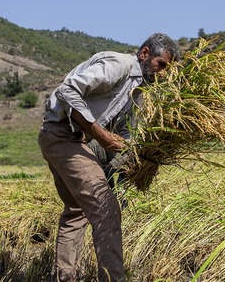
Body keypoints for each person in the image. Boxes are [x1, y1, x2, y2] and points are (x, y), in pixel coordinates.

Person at [38, 33, 181, 282]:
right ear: (145, 54)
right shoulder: (120, 65)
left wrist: (140, 159)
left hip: (73, 139)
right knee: (106, 210)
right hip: (63, 135)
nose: (163, 73)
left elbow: (123, 134)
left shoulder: (138, 92)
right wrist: (99, 133)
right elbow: (67, 89)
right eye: (162, 65)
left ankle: (66, 278)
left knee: (76, 210)